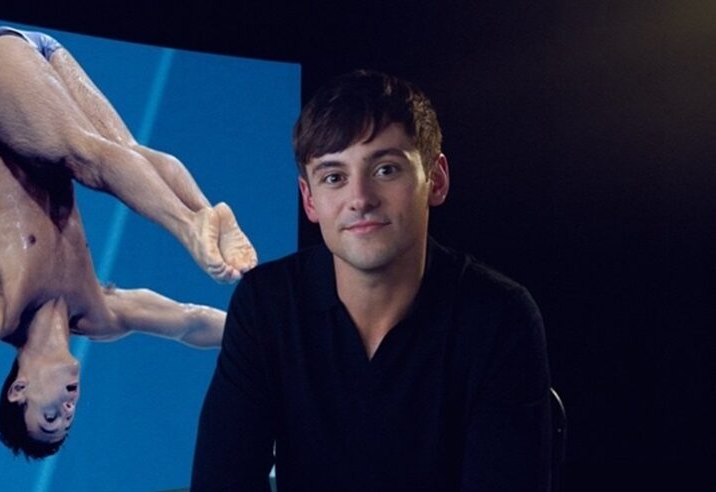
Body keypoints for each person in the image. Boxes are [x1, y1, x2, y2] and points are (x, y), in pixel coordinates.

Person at [192, 70, 551, 490]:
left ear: (435, 179)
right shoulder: (266, 305)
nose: (360, 198)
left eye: (385, 169)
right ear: (310, 200)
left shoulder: (500, 317)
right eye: (334, 177)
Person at [0, 27, 257, 459]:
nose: (67, 409)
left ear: (19, 390)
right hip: (48, 63)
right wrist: (268, 336)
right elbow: (188, 323)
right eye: (68, 419)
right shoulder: (100, 316)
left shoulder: (4, 308)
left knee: (87, 156)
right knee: (128, 154)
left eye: (50, 417)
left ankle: (193, 225)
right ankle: (207, 213)